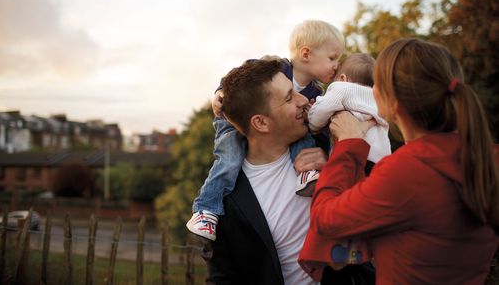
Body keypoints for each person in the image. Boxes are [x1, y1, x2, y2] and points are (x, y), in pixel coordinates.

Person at [306, 38, 499, 284]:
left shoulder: (408, 171)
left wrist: (347, 145)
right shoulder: (487, 157)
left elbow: (325, 220)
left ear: (392, 104)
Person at [187, 20, 344, 241]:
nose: (337, 65)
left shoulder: (316, 92)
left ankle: (305, 172)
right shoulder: (275, 67)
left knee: (305, 137)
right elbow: (238, 77)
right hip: (230, 121)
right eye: (332, 58)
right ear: (306, 54)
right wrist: (221, 91)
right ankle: (206, 208)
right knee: (228, 160)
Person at [202, 59, 329, 284]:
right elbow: (222, 277)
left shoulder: (327, 140)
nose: (303, 100)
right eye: (289, 97)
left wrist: (335, 165)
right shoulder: (222, 197)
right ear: (261, 122)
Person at [298, 53, 391, 280]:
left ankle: (339, 253)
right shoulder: (378, 100)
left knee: (339, 208)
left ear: (342, 77)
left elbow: (319, 116)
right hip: (380, 163)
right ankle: (356, 252)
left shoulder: (341, 88)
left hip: (356, 157)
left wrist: (313, 119)